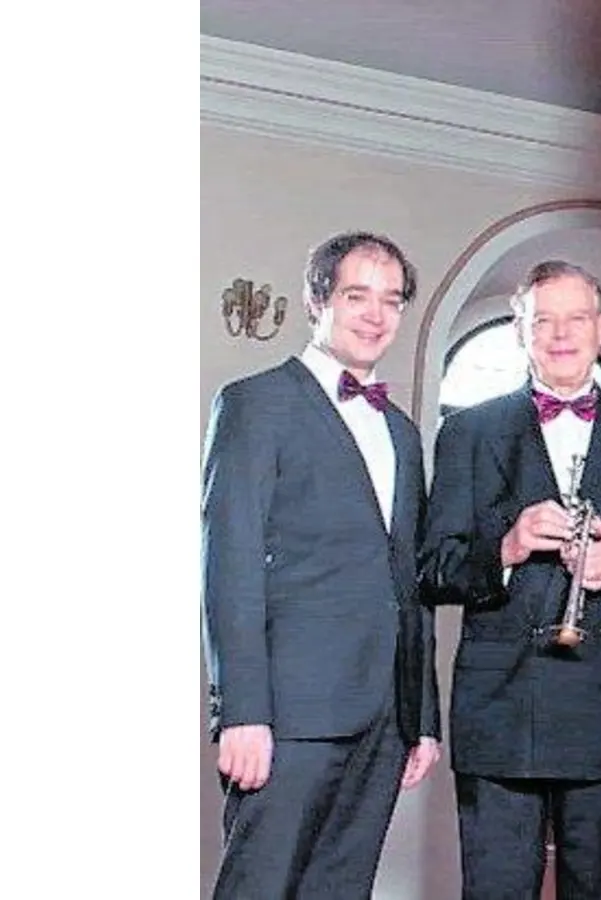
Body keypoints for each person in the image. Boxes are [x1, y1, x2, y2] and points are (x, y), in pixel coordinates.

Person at [418, 260, 601, 899]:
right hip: (500, 707)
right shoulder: (467, 433)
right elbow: (433, 569)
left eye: (577, 319)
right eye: (544, 321)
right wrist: (504, 547)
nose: (561, 335)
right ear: (521, 331)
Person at [201, 230, 443, 898]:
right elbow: (229, 564)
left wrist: (420, 714)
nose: (376, 314)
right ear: (318, 300)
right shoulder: (256, 404)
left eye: (391, 300)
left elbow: (409, 579)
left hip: (383, 718)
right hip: (288, 715)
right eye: (357, 295)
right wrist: (241, 711)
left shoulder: (401, 431)